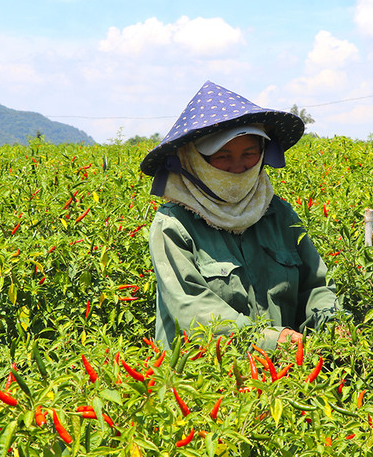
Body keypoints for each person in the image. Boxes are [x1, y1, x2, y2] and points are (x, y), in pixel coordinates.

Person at [140, 81, 341, 350]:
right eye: (222, 156)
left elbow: (315, 285)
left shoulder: (278, 214)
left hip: (284, 375)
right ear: (193, 159)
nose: (238, 166)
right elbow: (192, 308)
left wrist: (331, 322)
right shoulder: (174, 225)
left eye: (250, 153)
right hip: (203, 380)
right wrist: (268, 339)